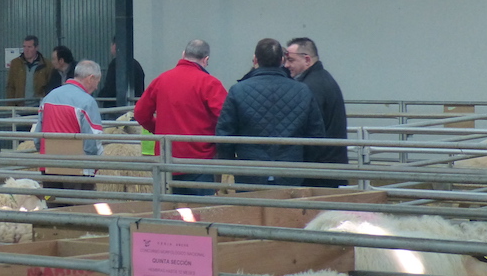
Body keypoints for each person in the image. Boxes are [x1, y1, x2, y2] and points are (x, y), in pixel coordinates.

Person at [215, 38, 325, 187]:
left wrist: (231, 165)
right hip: (291, 170)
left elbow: (225, 134)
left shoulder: (238, 90)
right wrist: (302, 163)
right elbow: (316, 134)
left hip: (250, 170)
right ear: (282, 60)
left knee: (250, 203)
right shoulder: (302, 90)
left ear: (255, 60)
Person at [133, 39, 228, 195]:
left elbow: (140, 113)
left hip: (166, 159)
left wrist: (158, 128)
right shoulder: (210, 83)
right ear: (206, 60)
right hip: (200, 160)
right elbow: (225, 119)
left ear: (183, 54)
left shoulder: (161, 80)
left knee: (169, 207)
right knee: (201, 208)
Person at [283, 37, 348, 187]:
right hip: (330, 164)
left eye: (291, 60)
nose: (286, 65)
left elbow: (310, 128)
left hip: (318, 168)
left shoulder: (310, 87)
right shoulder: (323, 79)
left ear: (307, 59)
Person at [33, 60, 105, 193]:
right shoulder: (87, 102)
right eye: (97, 82)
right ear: (90, 78)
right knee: (78, 204)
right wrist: (95, 164)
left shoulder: (48, 97)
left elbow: (38, 136)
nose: (96, 87)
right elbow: (93, 141)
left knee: (52, 202)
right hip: (77, 168)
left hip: (49, 166)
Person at [5, 35, 56, 105]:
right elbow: (10, 86)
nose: (26, 50)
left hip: (38, 106)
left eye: (29, 47)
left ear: (36, 48)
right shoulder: (15, 64)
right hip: (20, 106)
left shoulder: (46, 65)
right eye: (24, 47)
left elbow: (50, 87)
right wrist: (11, 106)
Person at [97, 38, 146, 105]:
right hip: (135, 104)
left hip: (115, 105)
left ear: (115, 45)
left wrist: (100, 96)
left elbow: (110, 87)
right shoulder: (136, 65)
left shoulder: (116, 64)